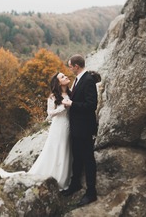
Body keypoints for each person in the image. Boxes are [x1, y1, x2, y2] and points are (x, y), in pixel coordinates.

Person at [0, 72, 72, 191]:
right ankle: (54, 178)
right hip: (58, 127)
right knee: (57, 149)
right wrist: (62, 107)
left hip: (68, 125)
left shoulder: (70, 93)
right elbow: (50, 113)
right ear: (58, 83)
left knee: (66, 149)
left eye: (64, 75)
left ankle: (65, 177)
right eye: (62, 77)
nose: (66, 77)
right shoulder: (53, 97)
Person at [61, 54, 99, 207]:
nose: (69, 69)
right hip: (76, 127)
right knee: (77, 157)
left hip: (84, 127)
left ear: (76, 66)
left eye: (70, 66)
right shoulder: (77, 80)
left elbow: (91, 105)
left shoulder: (88, 81)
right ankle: (75, 184)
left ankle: (91, 193)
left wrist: (72, 104)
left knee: (88, 159)